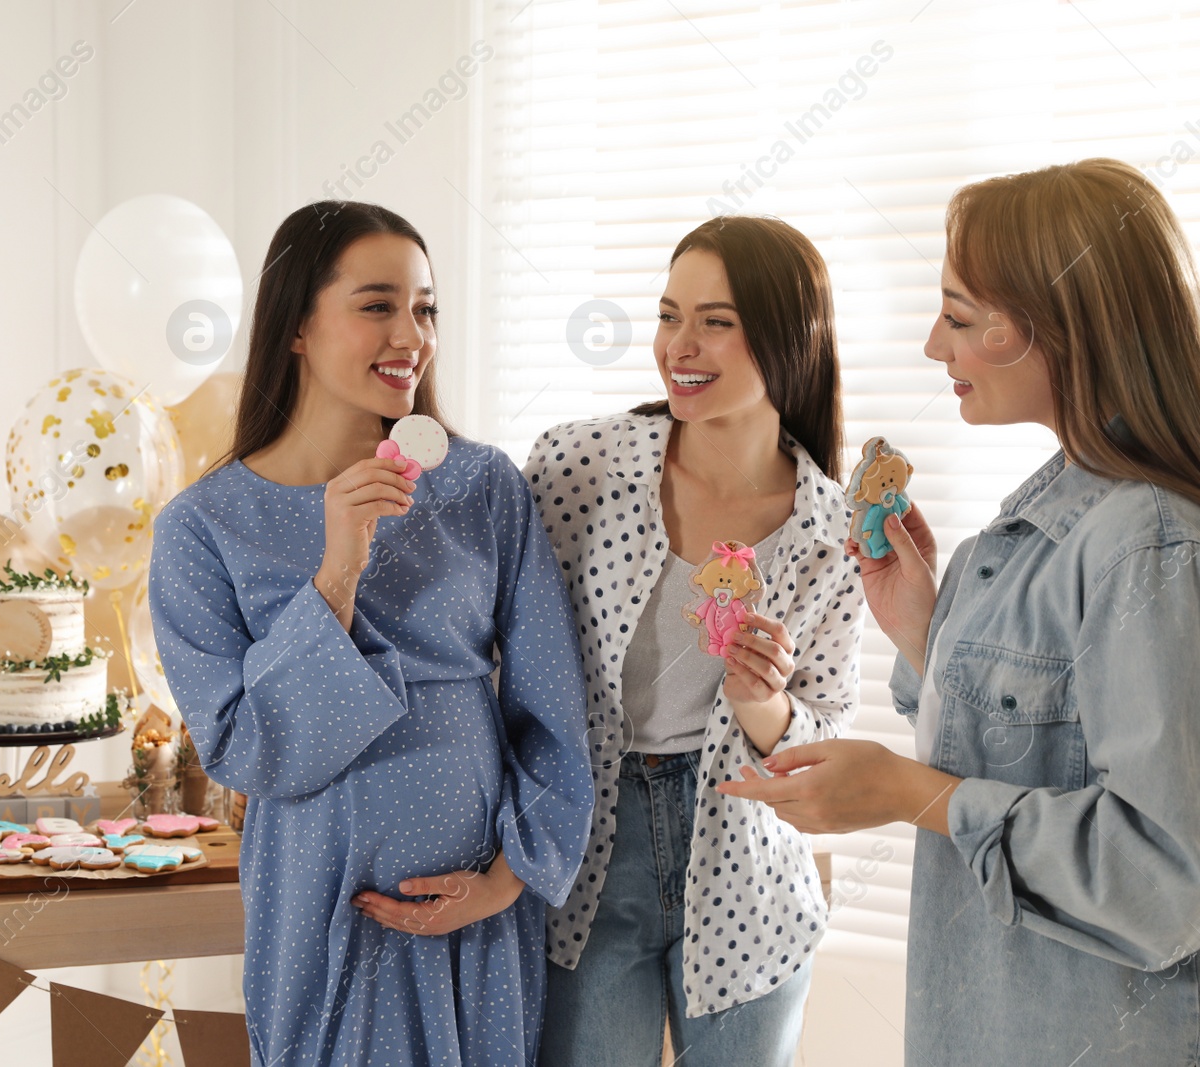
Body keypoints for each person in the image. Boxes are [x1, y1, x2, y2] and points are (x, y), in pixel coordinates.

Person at [718, 158, 1200, 1065]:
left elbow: (1165, 883)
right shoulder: (1031, 529)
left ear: (1054, 329)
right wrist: (921, 630)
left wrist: (910, 793)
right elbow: (1039, 738)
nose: (936, 347)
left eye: (962, 317)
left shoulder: (1151, 546)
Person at [148, 200, 594, 1067]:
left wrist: (504, 883)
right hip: (319, 909)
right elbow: (240, 745)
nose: (412, 335)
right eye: (378, 304)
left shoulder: (483, 486)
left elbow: (553, 708)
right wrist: (335, 576)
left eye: (425, 307)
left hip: (480, 917)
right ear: (297, 329)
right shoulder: (203, 527)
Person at [528, 215, 864, 1066]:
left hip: (749, 875)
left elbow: (823, 737)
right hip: (590, 857)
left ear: (789, 339)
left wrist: (764, 703)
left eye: (716, 320)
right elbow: (507, 659)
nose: (681, 343)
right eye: (670, 314)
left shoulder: (835, 531)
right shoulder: (580, 468)